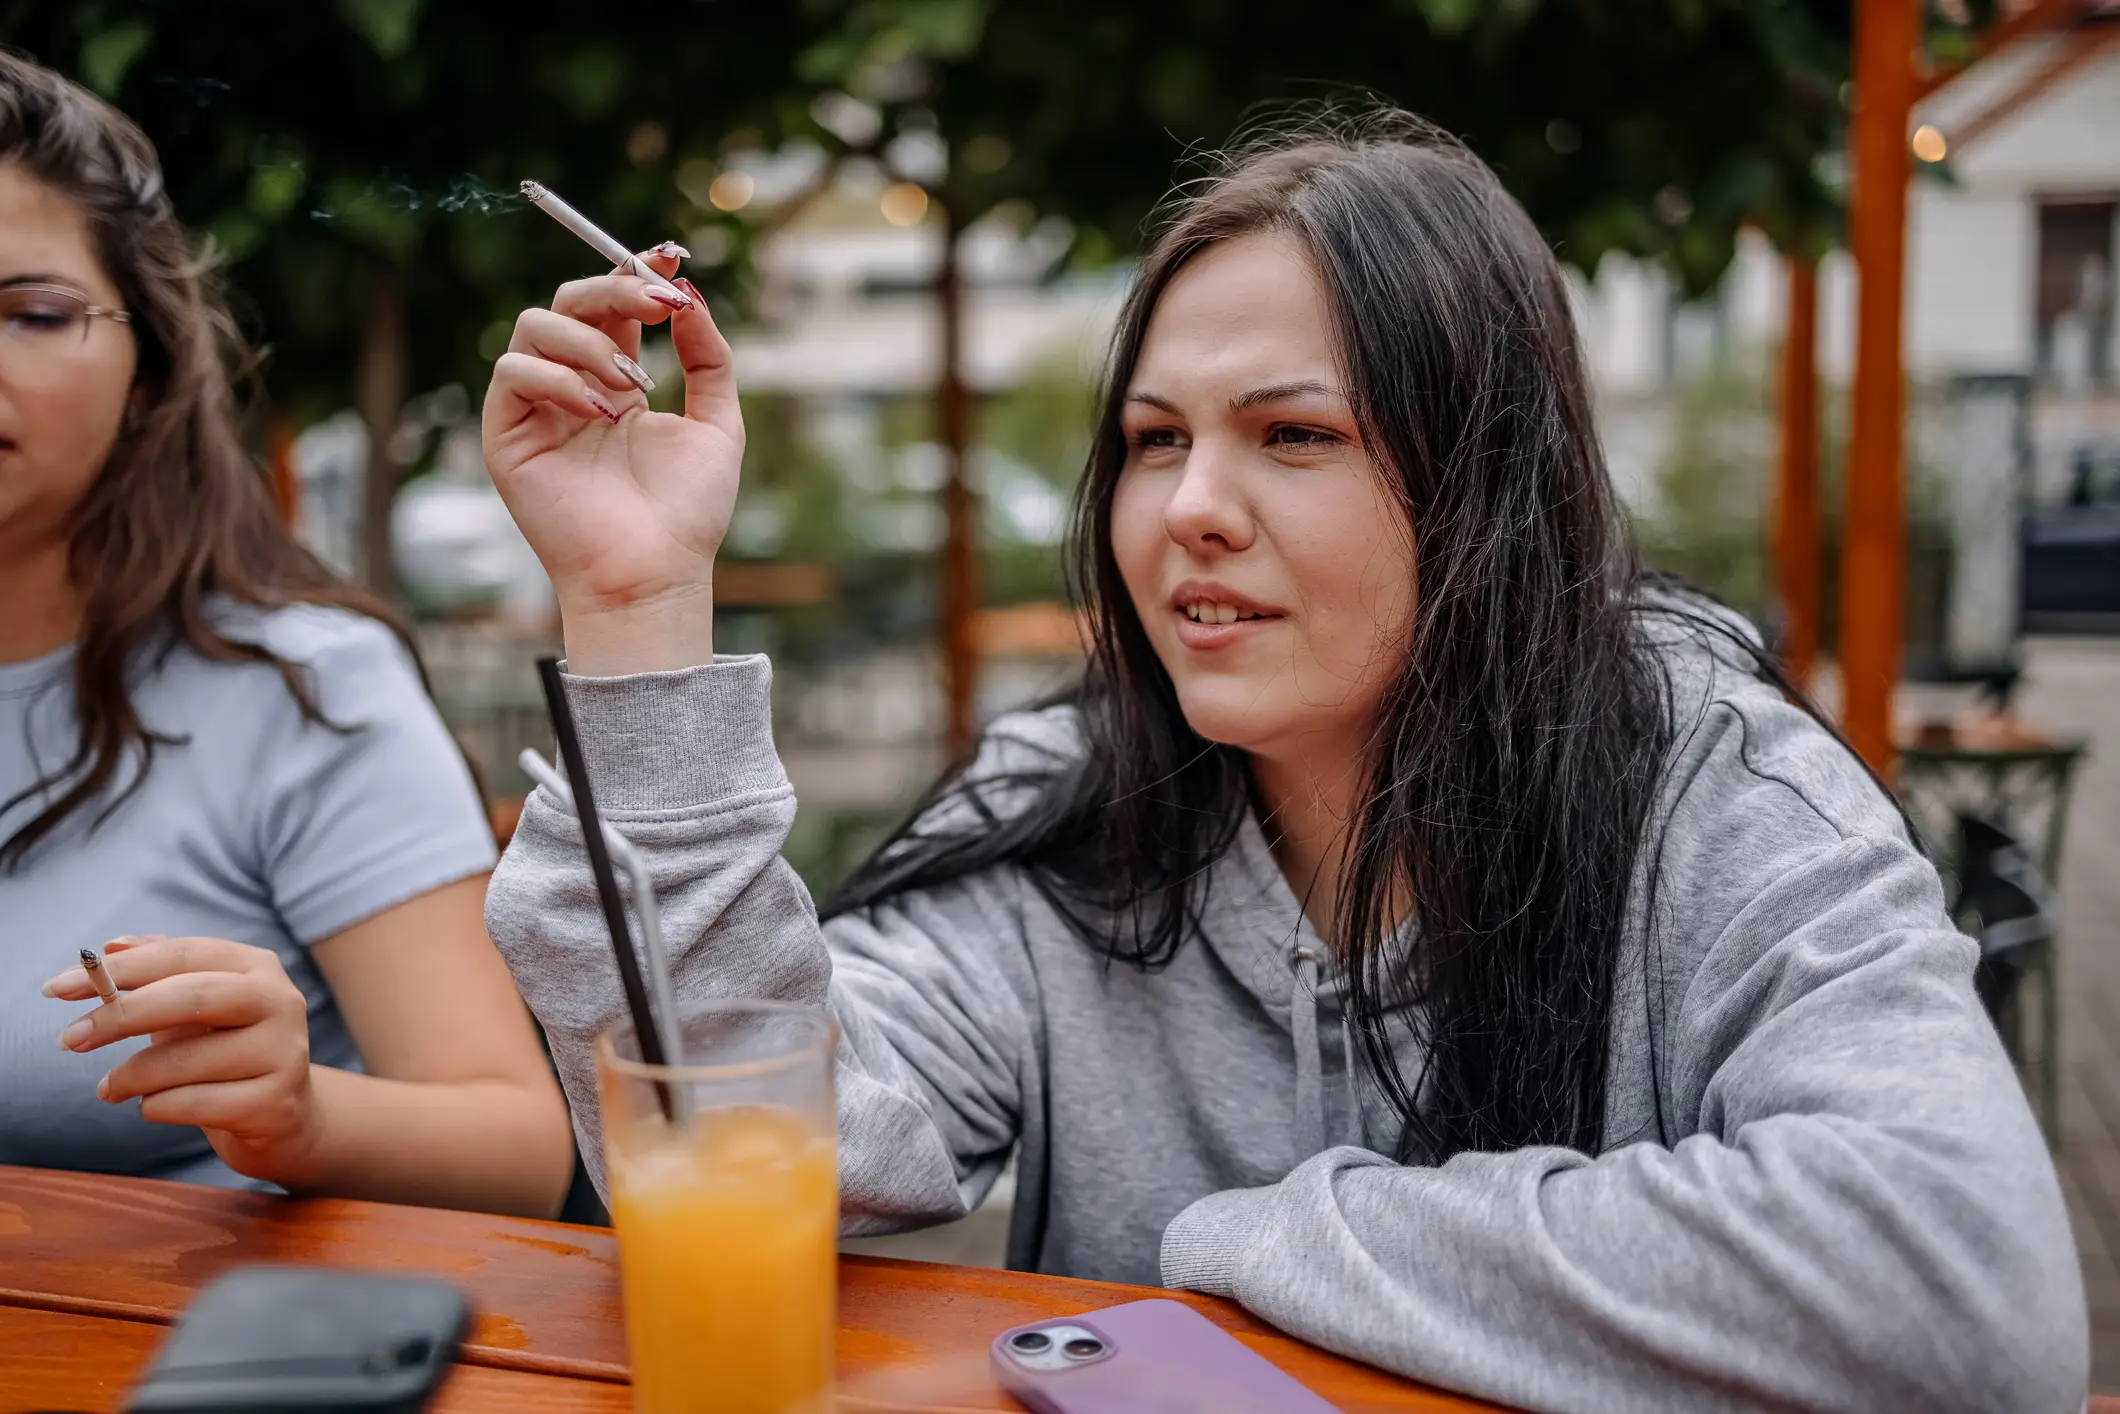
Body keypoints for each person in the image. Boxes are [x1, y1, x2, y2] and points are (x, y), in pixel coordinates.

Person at [478, 112, 2087, 1409]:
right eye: (1157, 439)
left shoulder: (1714, 794)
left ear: (1488, 485)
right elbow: (736, 1133)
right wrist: (636, 608)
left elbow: (1961, 1287)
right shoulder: (1068, 806)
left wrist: (1257, 1238)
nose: (1189, 506)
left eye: (1295, 434)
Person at [0, 53, 572, 1218]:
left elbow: (521, 1145)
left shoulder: (303, 688)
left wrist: (300, 1109)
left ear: (151, 363)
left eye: (32, 314)